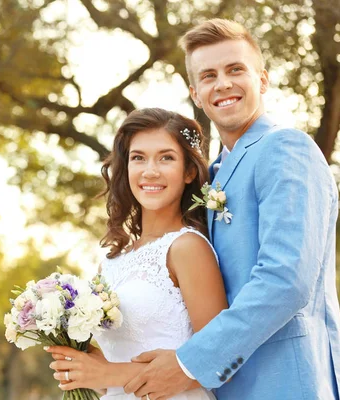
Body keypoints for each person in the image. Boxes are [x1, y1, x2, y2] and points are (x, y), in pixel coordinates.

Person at [122, 19, 340, 400]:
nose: (223, 83)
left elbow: (285, 281)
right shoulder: (213, 174)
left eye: (235, 69)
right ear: (195, 93)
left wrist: (187, 364)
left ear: (262, 80)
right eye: (208, 75)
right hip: (225, 388)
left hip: (286, 384)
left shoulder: (284, 148)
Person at [45, 107, 228, 399]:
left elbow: (220, 360)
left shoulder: (187, 248)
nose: (150, 171)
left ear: (189, 171)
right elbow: (110, 377)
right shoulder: (112, 262)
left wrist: (108, 372)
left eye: (166, 157)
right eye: (138, 158)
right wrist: (83, 367)